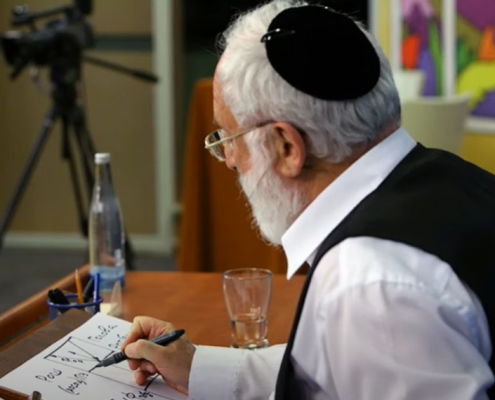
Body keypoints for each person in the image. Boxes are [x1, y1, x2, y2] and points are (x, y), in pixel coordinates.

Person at [122, 1, 495, 399]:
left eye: (229, 139)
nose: (228, 160)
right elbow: (335, 367)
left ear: (286, 147)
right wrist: (197, 368)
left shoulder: (367, 281)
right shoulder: (448, 178)